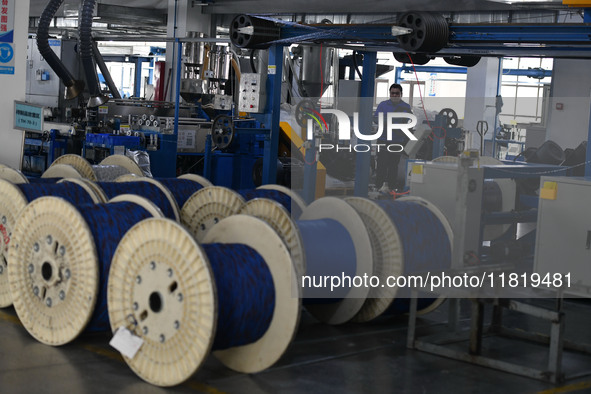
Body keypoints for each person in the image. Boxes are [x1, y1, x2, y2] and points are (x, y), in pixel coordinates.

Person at [374, 83, 413, 191]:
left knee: (393, 165)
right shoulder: (383, 105)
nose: (394, 95)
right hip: (382, 140)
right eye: (392, 93)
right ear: (390, 93)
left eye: (397, 93)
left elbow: (409, 123)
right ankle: (378, 186)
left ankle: (392, 188)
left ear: (401, 94)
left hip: (397, 141)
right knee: (381, 164)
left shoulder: (406, 107)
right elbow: (375, 119)